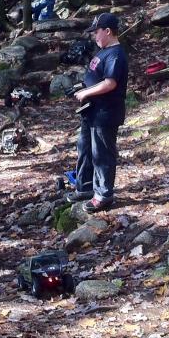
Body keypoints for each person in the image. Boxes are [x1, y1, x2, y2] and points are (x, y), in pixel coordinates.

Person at [66, 13, 128, 213]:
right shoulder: (102, 52)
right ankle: (85, 187)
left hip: (106, 112)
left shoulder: (116, 54)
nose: (94, 36)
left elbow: (110, 83)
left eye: (97, 32)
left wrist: (86, 92)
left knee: (102, 153)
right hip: (90, 111)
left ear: (108, 31)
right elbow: (96, 78)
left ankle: (103, 195)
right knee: (84, 148)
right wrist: (81, 87)